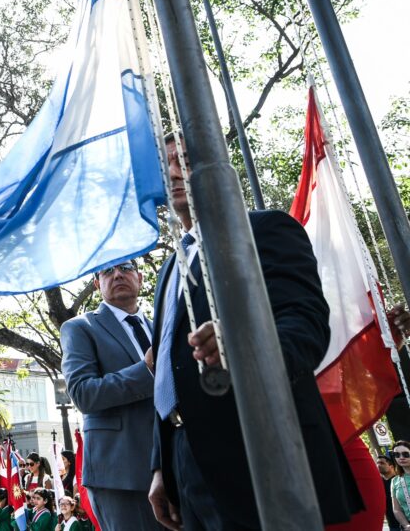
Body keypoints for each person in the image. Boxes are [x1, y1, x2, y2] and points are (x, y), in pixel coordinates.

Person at [148, 133, 362, 531]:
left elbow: (306, 322)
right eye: (168, 163)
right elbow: (165, 372)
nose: (176, 172)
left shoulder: (264, 229)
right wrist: (161, 466)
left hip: (259, 454)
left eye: (188, 161)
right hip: (186, 464)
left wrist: (244, 345)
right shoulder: (167, 270)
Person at [60, 258, 161, 530]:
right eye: (107, 271)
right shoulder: (79, 328)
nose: (117, 274)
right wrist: (146, 370)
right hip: (120, 475)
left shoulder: (161, 327)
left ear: (140, 278)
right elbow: (83, 394)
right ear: (97, 284)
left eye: (126, 268)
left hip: (176, 467)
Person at [378, 453, 400, 531]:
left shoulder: (399, 480)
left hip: (405, 522)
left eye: (382, 463)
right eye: (377, 463)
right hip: (392, 524)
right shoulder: (379, 483)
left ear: (391, 467)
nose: (379, 465)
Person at [391, 443, 410, 530]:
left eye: (405, 454)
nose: (401, 457)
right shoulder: (394, 481)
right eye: (397, 455)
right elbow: (396, 509)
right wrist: (406, 525)